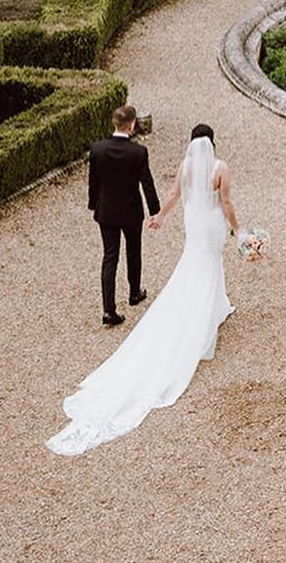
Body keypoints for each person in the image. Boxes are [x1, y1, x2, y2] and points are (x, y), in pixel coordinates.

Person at [48, 124, 240, 455]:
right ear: (213, 143)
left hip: (195, 227)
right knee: (208, 265)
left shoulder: (186, 166)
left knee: (199, 265)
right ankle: (206, 314)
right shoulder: (220, 168)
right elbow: (226, 202)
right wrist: (240, 230)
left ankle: (217, 303)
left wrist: (159, 218)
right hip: (210, 226)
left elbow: (175, 196)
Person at [87, 105, 160, 327]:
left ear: (114, 123)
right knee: (133, 250)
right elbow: (146, 182)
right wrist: (154, 210)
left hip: (106, 210)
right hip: (130, 210)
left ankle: (108, 310)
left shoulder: (97, 149)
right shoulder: (138, 152)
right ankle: (134, 293)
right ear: (131, 124)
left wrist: (93, 205)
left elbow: (94, 182)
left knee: (110, 256)